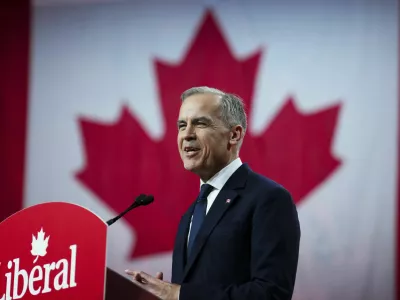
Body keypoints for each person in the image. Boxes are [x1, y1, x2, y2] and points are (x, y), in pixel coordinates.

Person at [125, 87, 301, 300]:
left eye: (200, 123)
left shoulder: (269, 199)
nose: (187, 135)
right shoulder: (191, 213)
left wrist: (178, 294)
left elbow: (272, 294)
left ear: (234, 135)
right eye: (182, 125)